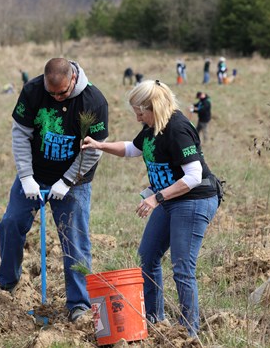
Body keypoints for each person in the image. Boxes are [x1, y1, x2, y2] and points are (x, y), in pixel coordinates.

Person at [81, 80, 219, 336]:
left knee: (182, 267)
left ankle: (189, 332)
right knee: (148, 256)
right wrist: (100, 145)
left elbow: (193, 176)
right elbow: (132, 149)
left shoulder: (177, 129)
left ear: (154, 106)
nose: (137, 118)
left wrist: (156, 198)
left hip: (193, 200)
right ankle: (156, 320)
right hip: (171, 200)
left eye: (140, 112)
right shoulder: (151, 128)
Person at [0, 57, 109, 322]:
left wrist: (68, 181)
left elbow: (93, 148)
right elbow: (20, 133)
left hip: (74, 181)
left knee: (75, 239)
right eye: (52, 93)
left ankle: (79, 305)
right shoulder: (33, 91)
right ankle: (7, 286)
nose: (58, 97)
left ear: (73, 78)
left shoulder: (93, 101)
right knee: (10, 223)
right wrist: (25, 177)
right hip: (35, 174)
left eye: (63, 92)